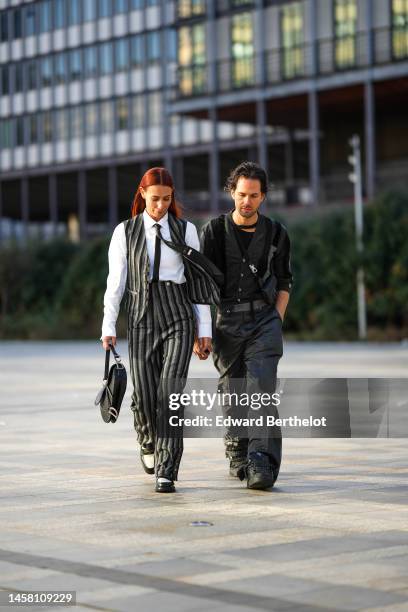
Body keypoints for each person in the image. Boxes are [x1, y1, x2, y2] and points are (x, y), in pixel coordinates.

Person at [101, 167, 212, 493]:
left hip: (178, 317)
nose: (160, 206)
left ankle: (167, 469)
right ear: (142, 195)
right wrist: (108, 325)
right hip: (141, 319)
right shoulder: (125, 232)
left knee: (171, 394)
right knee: (147, 396)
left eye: (166, 199)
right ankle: (147, 438)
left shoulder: (185, 230)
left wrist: (203, 328)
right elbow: (115, 283)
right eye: (154, 199)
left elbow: (198, 282)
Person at [199, 161, 293, 490]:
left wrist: (276, 319)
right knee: (233, 392)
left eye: (254, 195)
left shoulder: (277, 233)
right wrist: (204, 330)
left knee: (261, 391)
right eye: (241, 194)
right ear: (231, 192)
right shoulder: (213, 231)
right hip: (226, 322)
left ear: (263, 196)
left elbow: (285, 281)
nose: (246, 201)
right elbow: (201, 285)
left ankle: (261, 461)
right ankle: (237, 450)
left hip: (264, 321)